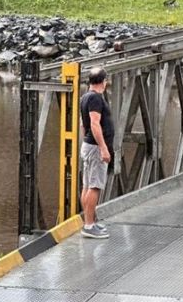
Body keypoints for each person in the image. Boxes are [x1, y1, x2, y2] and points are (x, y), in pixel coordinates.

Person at [79, 67, 115, 239]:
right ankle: (89, 225)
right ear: (104, 81)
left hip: (89, 145)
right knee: (95, 186)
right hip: (95, 148)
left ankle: (90, 221)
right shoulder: (95, 98)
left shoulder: (85, 97)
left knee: (87, 185)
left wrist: (85, 141)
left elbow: (83, 125)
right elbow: (94, 123)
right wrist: (103, 148)